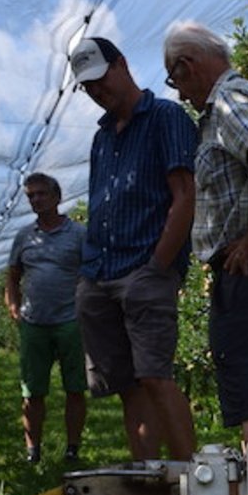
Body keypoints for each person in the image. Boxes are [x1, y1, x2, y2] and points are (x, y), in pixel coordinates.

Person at [162, 21, 248, 448]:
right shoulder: (247, 97)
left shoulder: (227, 100)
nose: (179, 94)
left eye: (174, 80)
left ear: (187, 65)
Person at [69, 36, 198, 461]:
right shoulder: (102, 138)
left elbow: (184, 196)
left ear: (122, 64)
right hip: (99, 274)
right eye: (88, 86)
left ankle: (193, 483)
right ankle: (150, 479)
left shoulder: (165, 117)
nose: (96, 91)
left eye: (100, 78)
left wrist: (158, 267)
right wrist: (88, 275)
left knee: (155, 377)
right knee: (127, 386)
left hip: (144, 268)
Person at [4, 173, 88, 464]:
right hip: (34, 321)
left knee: (75, 388)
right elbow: (13, 276)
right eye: (31, 196)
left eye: (41, 193)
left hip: (70, 320)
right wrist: (13, 306)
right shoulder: (25, 236)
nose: (36, 199)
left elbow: (90, 273)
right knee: (32, 389)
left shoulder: (78, 234)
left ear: (57, 196)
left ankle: (72, 448)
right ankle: (33, 450)